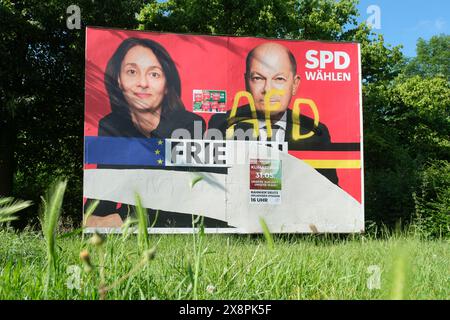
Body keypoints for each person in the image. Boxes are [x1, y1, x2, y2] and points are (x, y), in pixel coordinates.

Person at [86, 37, 227, 228]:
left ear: (167, 84)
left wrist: (120, 219)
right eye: (132, 72)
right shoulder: (110, 126)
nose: (142, 83)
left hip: (177, 227)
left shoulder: (189, 124)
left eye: (154, 74)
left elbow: (171, 194)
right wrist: (89, 218)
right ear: (118, 79)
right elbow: (106, 188)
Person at [208, 42, 339, 185]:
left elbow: (330, 195)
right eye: (258, 78)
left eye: (279, 79)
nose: (268, 89)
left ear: (294, 85)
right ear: (246, 82)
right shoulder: (223, 124)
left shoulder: (315, 132)